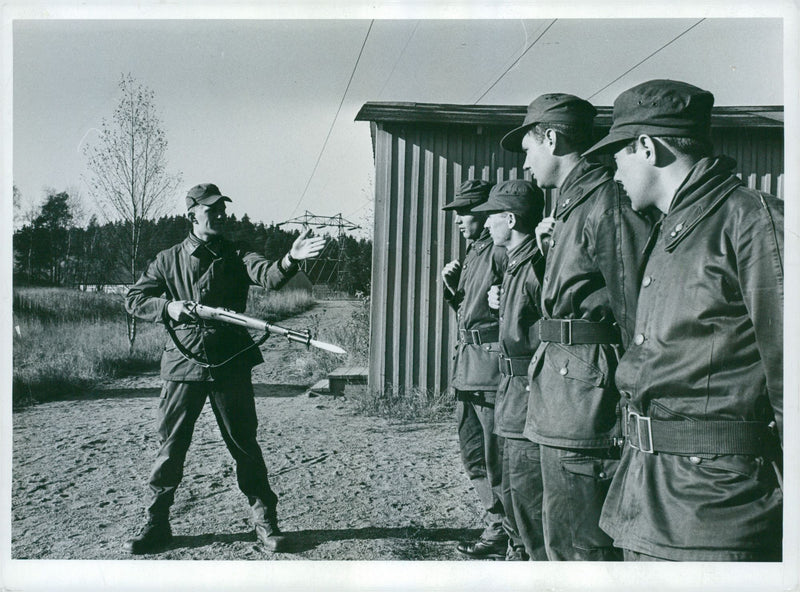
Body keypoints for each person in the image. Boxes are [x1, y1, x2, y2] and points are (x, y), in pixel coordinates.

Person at [583, 79, 783, 561]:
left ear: (647, 147)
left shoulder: (751, 221)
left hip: (714, 511)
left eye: (618, 155)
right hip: (650, 499)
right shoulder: (674, 229)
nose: (614, 172)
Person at [123, 183, 325, 555]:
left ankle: (265, 522)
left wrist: (291, 259)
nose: (220, 215)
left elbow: (269, 275)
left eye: (222, 209)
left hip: (230, 362)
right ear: (191, 215)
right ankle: (157, 523)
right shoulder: (167, 259)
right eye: (211, 210)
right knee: (171, 448)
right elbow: (134, 298)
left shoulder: (237, 253)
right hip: (183, 363)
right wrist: (168, 308)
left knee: (244, 443)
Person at [500, 93, 651, 560]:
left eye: (528, 149)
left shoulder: (606, 202)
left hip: (586, 402)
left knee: (581, 549)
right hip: (563, 394)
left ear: (551, 138)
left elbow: (637, 314)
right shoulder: (572, 206)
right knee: (560, 539)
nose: (525, 163)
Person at [471, 179, 547, 561]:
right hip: (510, 390)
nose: (486, 224)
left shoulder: (536, 265)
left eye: (492, 217)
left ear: (511, 220)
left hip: (528, 393)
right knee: (511, 487)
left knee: (527, 495)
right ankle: (516, 553)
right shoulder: (516, 264)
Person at [441, 179, 509, 560]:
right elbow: (469, 314)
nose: (457, 220)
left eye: (463, 212)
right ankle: (497, 522)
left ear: (483, 213)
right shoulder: (474, 252)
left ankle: (509, 533)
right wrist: (452, 288)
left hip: (489, 371)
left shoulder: (499, 251)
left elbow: (515, 307)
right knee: (472, 454)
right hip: (467, 368)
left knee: (495, 456)